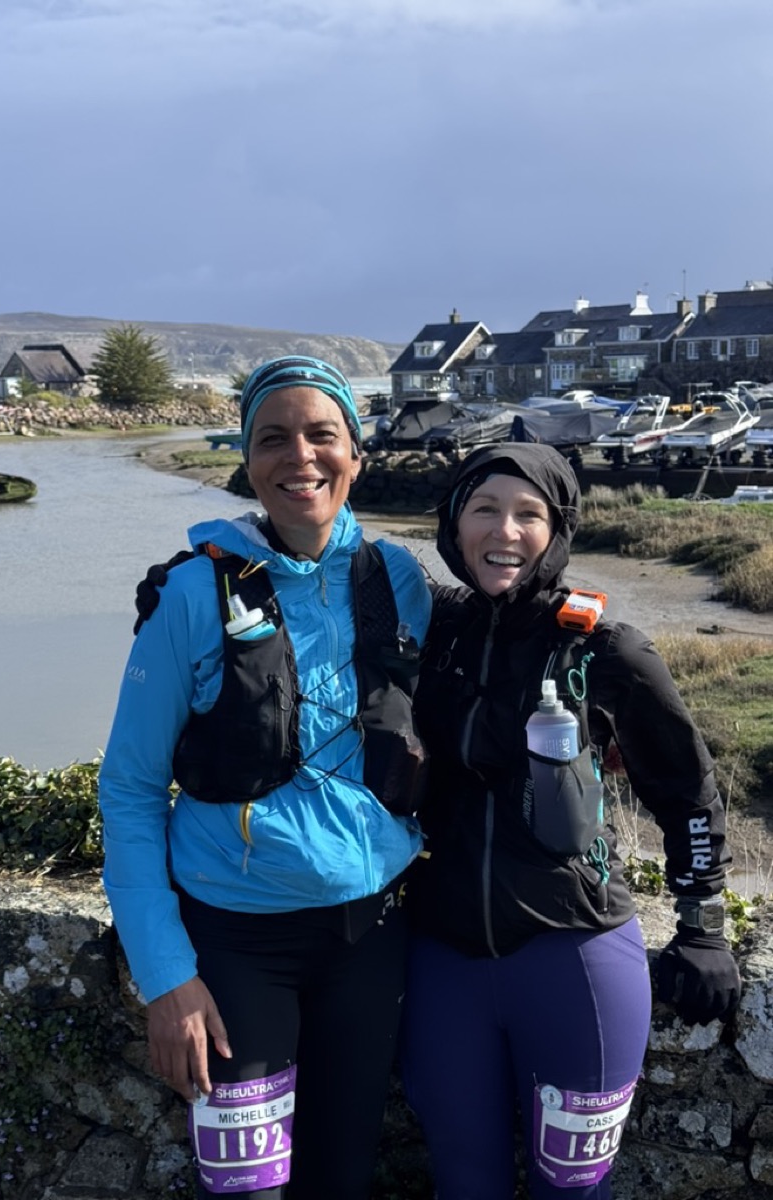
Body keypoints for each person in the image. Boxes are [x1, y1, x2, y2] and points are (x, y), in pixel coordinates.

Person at [98, 355, 432, 1200]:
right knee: (246, 1188)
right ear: (246, 461)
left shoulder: (398, 582)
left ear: (357, 453)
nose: (300, 457)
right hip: (238, 942)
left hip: (373, 930)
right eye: (272, 438)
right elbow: (131, 789)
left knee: (342, 1176)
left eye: (323, 435)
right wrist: (167, 976)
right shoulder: (190, 593)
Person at [402, 441, 741, 1199]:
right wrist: (203, 581)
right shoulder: (426, 631)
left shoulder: (602, 644)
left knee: (572, 1191)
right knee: (465, 1183)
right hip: (441, 960)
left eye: (530, 513)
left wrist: (704, 925)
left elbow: (685, 788)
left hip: (575, 960)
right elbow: (317, 582)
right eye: (484, 509)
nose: (506, 531)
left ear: (559, 529)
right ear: (453, 524)